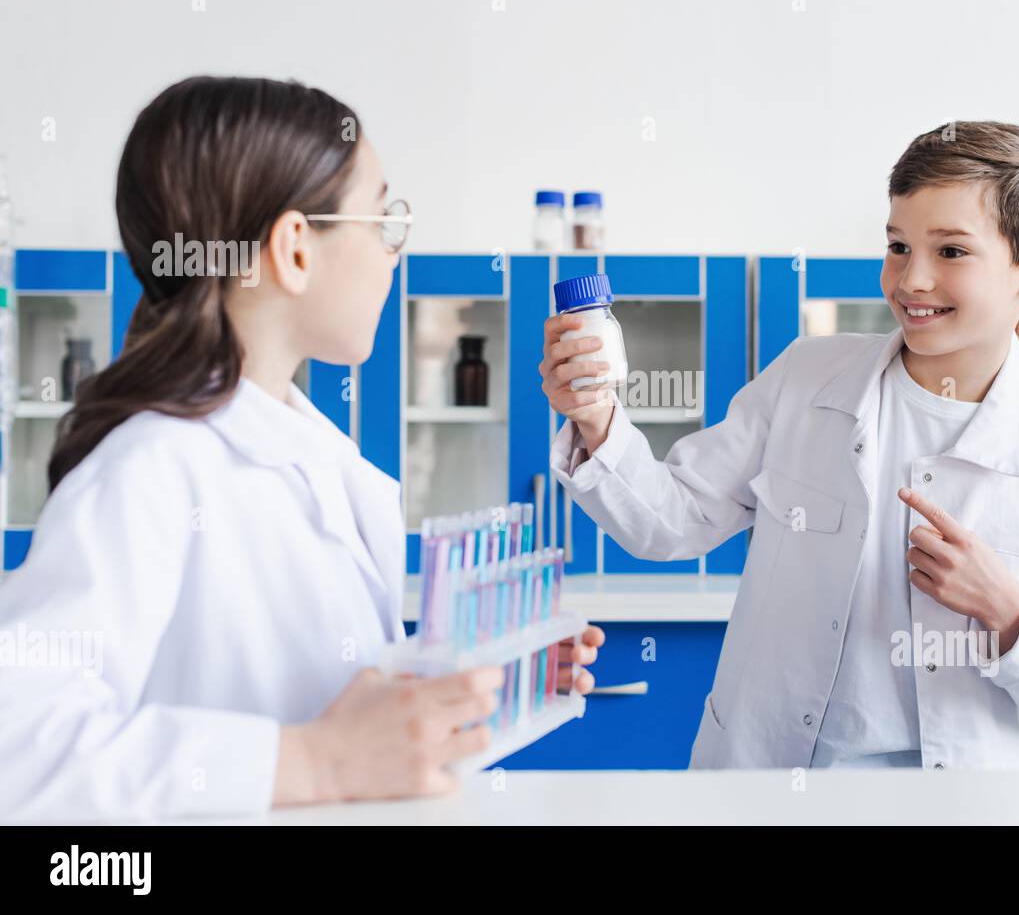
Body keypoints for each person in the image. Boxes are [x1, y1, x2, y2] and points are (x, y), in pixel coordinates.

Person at [0, 76, 602, 820]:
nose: (394, 252)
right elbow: (19, 742)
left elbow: (338, 701)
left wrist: (478, 680)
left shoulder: (319, 460)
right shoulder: (151, 468)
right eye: (382, 219)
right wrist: (318, 759)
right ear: (293, 249)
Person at [540, 121, 1019, 770]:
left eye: (951, 252)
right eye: (898, 245)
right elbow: (672, 522)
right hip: (764, 787)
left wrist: (1008, 608)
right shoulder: (807, 379)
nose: (911, 280)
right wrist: (595, 420)